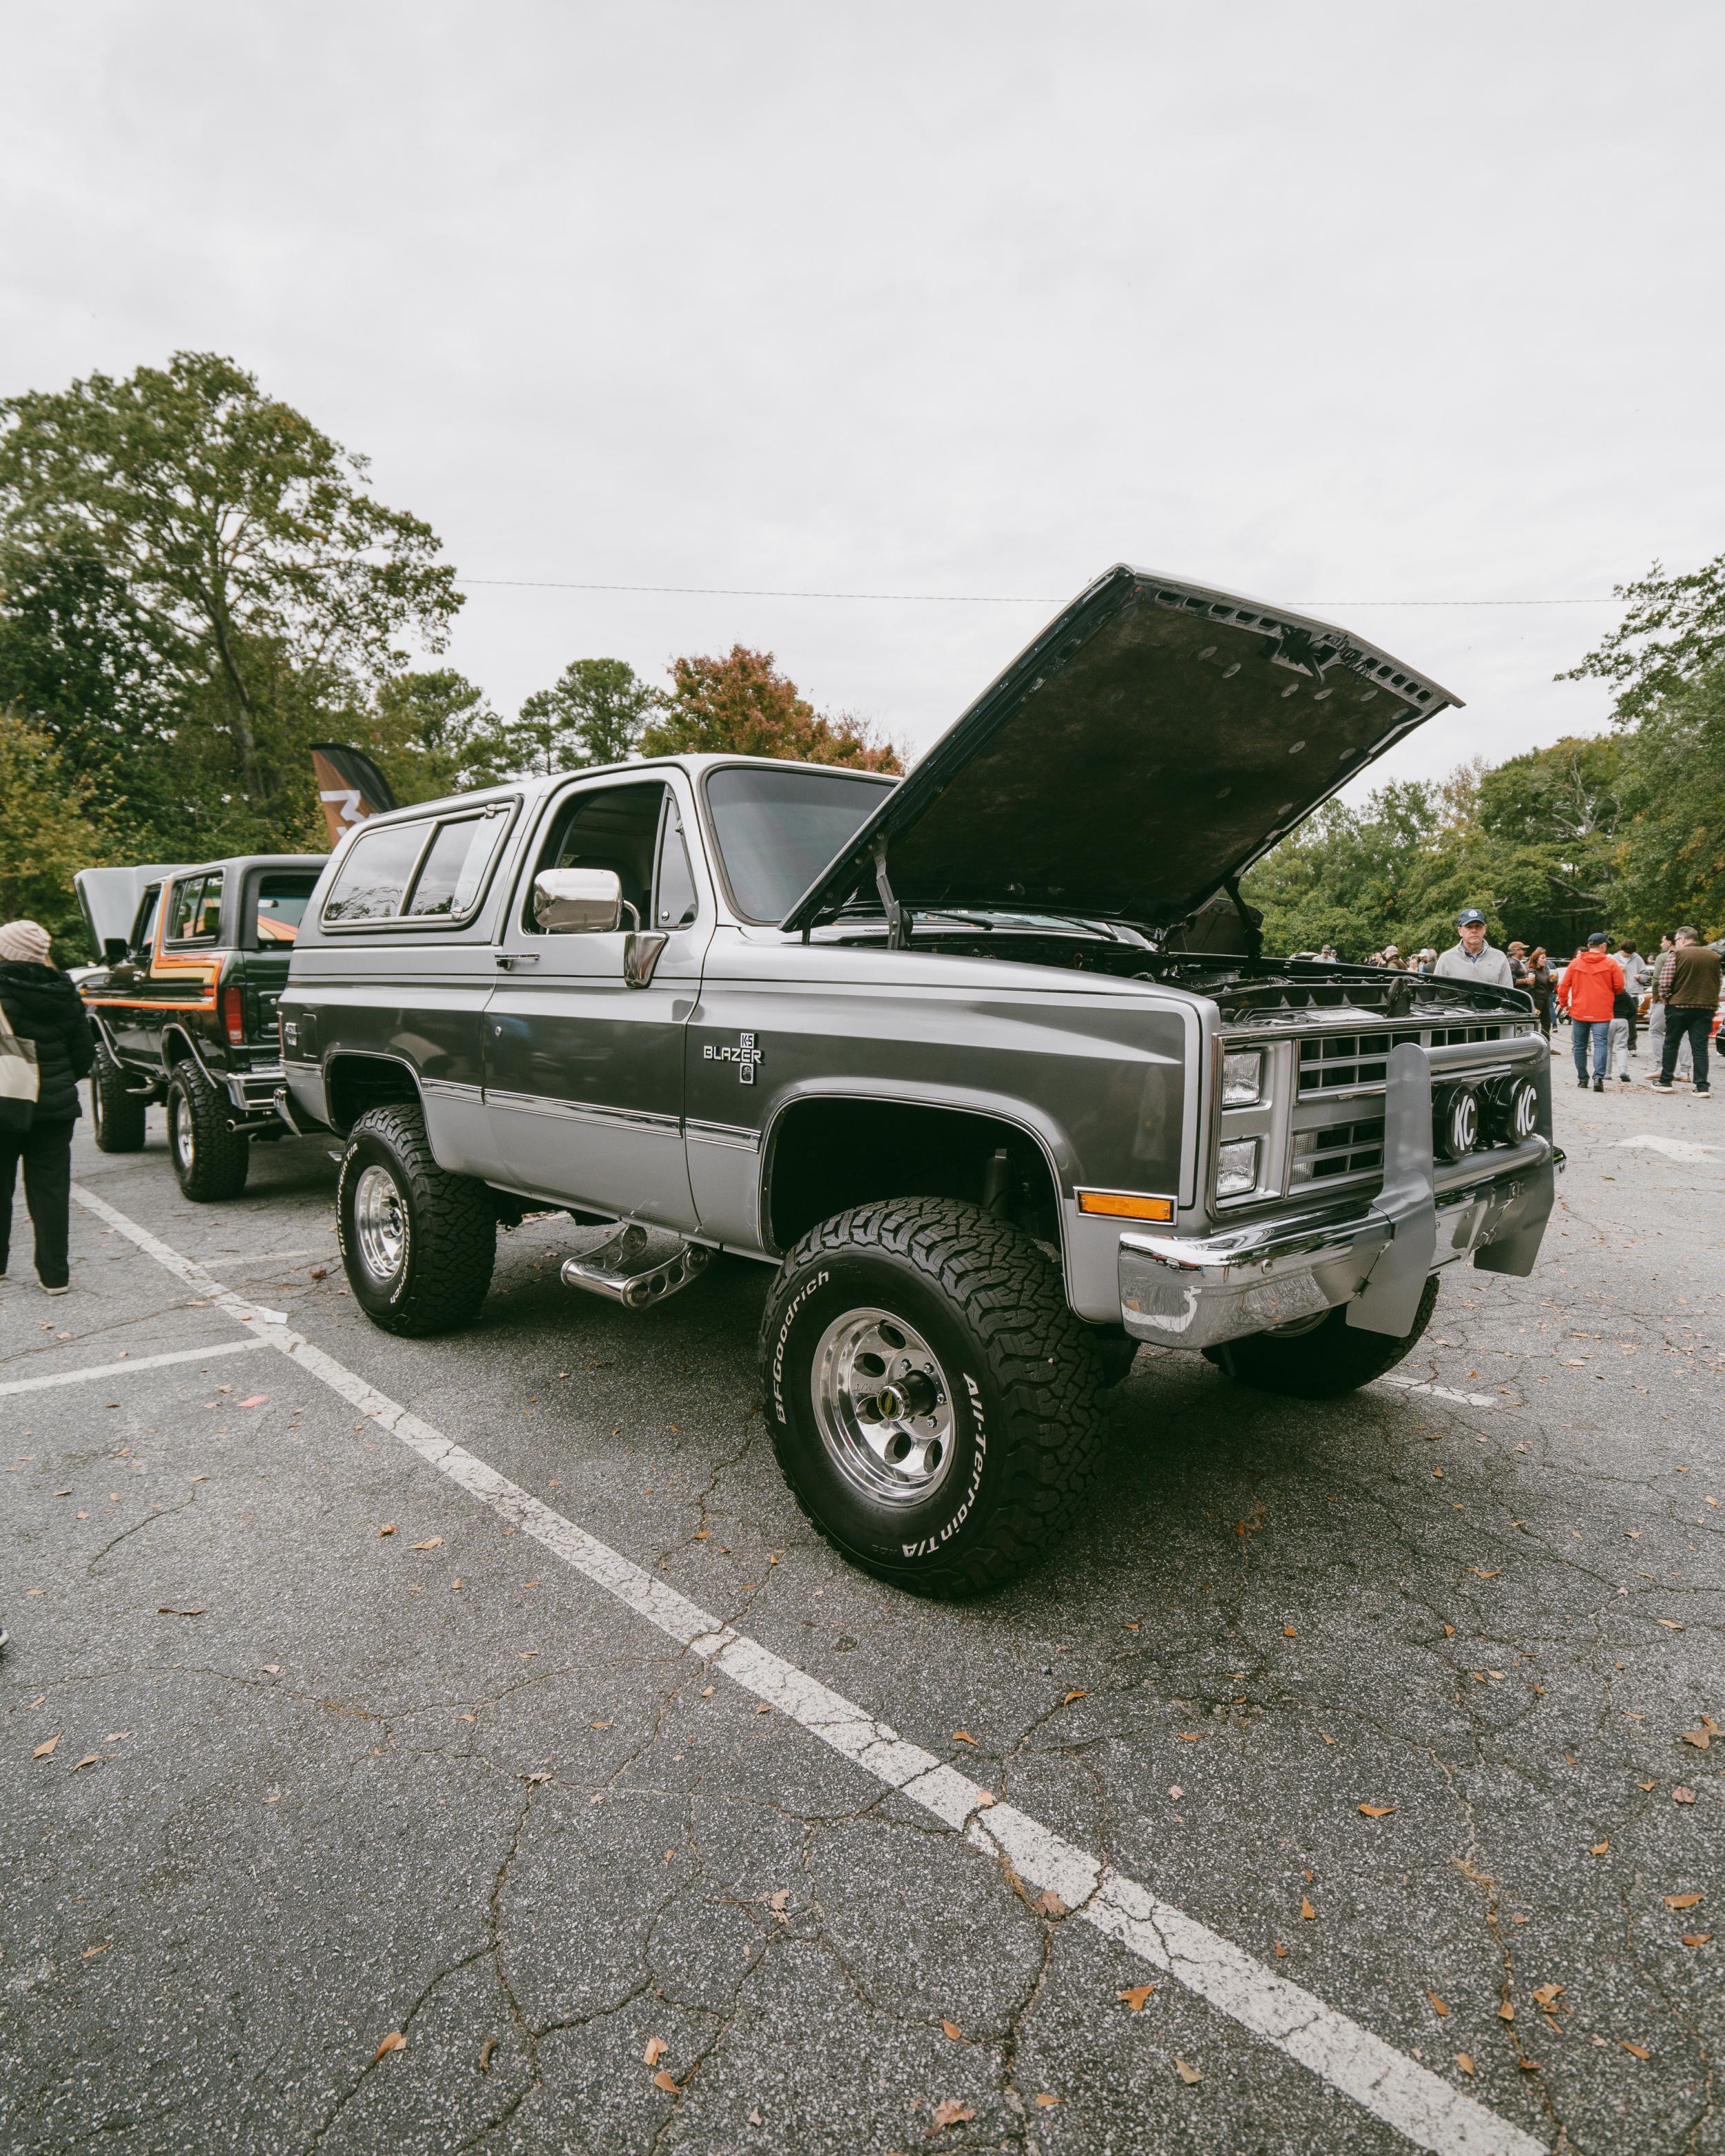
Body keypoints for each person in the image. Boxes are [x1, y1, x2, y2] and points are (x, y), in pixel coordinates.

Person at [0, 920, 94, 1296]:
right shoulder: (64, 990)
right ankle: (55, 1276)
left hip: (5, 1102)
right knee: (51, 1191)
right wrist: (57, 1082)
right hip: (55, 1107)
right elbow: (83, 1054)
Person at [1650, 927, 1721, 1097]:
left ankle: (1666, 1081)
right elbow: (1717, 981)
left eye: (1676, 940)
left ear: (1682, 940)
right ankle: (1702, 1087)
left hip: (1679, 1005)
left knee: (1671, 1043)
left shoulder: (1676, 954)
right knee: (1700, 1047)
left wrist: (1667, 1000)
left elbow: (1665, 982)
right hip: (1705, 1007)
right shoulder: (1714, 956)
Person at [1555, 933, 1624, 1091]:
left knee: (1580, 1046)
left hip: (1580, 1010)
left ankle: (1582, 1079)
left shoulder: (1575, 963)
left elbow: (1563, 986)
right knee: (1600, 1044)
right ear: (1603, 946)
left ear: (1588, 945)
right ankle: (1598, 1078)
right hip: (1602, 1011)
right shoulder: (1611, 963)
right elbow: (1620, 986)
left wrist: (1564, 1004)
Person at [1433, 908, 1516, 991]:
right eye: (1469, 927)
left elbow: (1508, 994)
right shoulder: (1446, 959)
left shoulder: (1500, 957)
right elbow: (1437, 993)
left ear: (1484, 929)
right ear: (1460, 931)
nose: (1474, 930)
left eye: (1478, 926)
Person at [1525, 947, 1554, 1040]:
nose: (1545, 960)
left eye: (1546, 958)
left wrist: (1551, 981)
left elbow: (1549, 988)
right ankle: (1534, 1042)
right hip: (1537, 1000)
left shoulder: (1544, 971)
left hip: (1545, 999)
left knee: (1547, 1023)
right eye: (1543, 958)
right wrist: (1534, 1005)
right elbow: (1530, 988)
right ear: (1536, 959)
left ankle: (1546, 1042)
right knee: (1536, 1023)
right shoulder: (1531, 971)